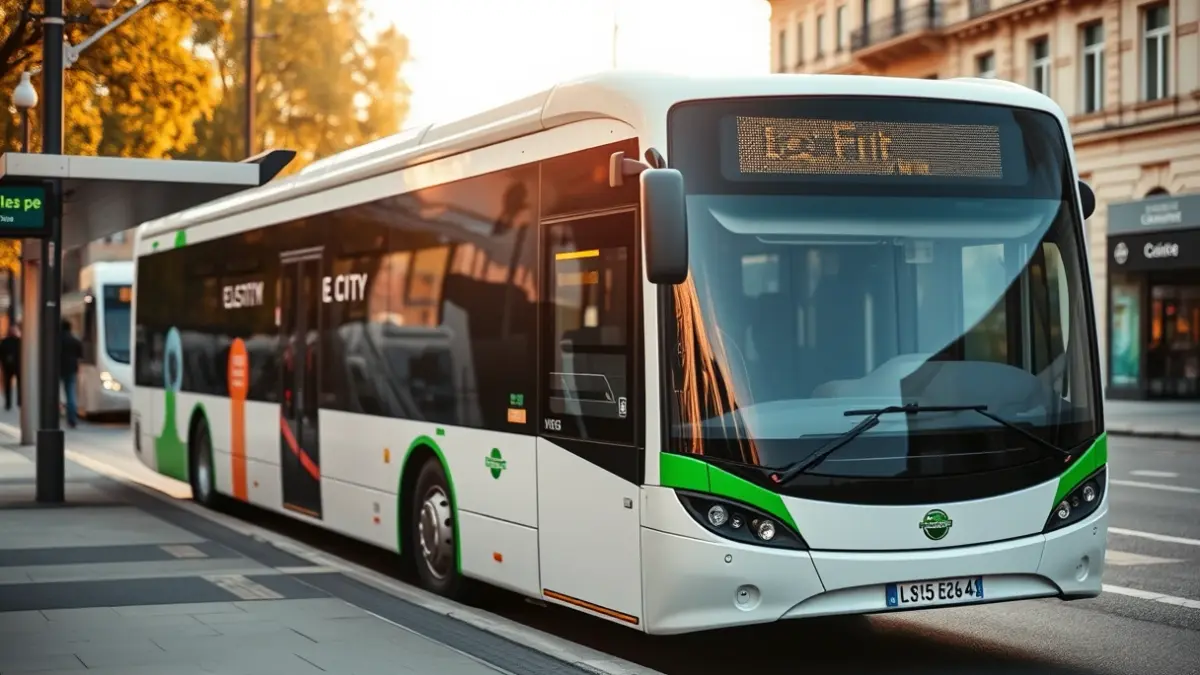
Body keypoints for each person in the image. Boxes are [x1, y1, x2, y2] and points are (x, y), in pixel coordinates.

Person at [60, 320, 83, 428]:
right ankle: (72, 419)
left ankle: (57, 413)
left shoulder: (57, 340)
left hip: (58, 369)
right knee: (71, 394)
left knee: (55, 393)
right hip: (72, 369)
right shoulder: (75, 340)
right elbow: (80, 355)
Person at [0, 325, 20, 411]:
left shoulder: (5, 341)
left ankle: (9, 403)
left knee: (8, 385)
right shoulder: (19, 341)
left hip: (8, 366)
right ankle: (19, 401)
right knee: (19, 385)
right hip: (17, 366)